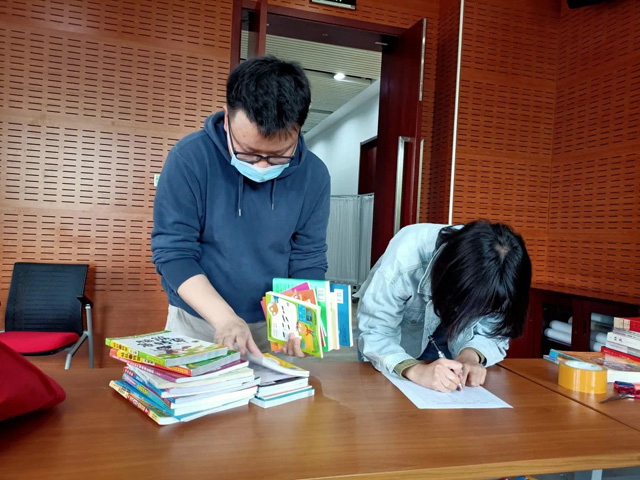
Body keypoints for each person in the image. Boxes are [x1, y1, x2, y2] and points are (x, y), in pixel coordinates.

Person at [151, 56, 330, 357]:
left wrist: (301, 319)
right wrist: (224, 318)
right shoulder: (190, 159)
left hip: (273, 324)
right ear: (226, 118)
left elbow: (307, 256)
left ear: (299, 129)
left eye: (278, 156)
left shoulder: (314, 175)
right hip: (199, 319)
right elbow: (173, 252)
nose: (262, 166)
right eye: (248, 153)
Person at [357, 220, 532, 392]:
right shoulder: (405, 256)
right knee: (384, 397)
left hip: (451, 338)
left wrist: (471, 356)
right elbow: (376, 333)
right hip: (397, 340)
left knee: (443, 393)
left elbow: (495, 331)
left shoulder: (504, 277)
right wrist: (415, 370)